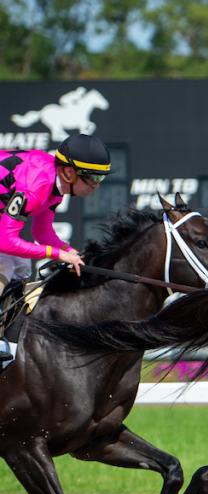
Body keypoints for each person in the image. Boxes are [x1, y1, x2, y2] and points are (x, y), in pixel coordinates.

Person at [0, 133, 109, 362]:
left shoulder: (56, 185)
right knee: (6, 264)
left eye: (101, 178)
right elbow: (5, 241)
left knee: (22, 270)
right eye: (92, 178)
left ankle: (9, 341)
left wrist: (69, 252)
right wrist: (57, 254)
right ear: (69, 172)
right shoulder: (37, 184)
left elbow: (42, 232)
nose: (96, 186)